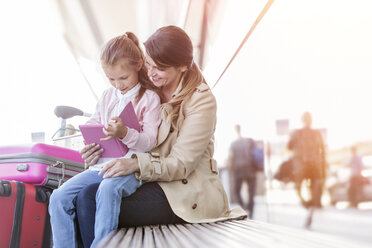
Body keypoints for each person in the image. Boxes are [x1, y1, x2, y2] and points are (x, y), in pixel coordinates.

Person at [75, 25, 247, 247]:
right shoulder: (146, 88)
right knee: (86, 194)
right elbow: (126, 134)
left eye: (160, 68)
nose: (151, 72)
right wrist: (97, 152)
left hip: (185, 191)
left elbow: (181, 164)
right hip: (151, 181)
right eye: (148, 64)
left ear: (183, 66)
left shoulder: (201, 101)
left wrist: (135, 164)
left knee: (90, 199)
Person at [48, 32, 162, 248]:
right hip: (100, 166)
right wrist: (89, 144)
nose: (118, 84)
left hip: (130, 168)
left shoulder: (149, 98)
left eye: (123, 78)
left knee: (108, 190)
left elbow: (150, 141)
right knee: (58, 197)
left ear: (138, 65)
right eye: (111, 79)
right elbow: (92, 123)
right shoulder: (107, 96)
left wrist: (124, 133)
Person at [287, 112, 326, 209]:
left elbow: (289, 146)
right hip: (314, 164)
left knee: (299, 185)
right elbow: (323, 150)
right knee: (315, 184)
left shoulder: (297, 132)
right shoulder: (317, 132)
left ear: (302, 120)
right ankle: (315, 202)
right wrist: (323, 163)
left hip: (301, 165)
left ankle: (306, 202)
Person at [228, 124, 257, 219]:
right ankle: (251, 211)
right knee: (251, 192)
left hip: (239, 169)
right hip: (251, 169)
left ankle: (244, 208)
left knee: (237, 191)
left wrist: (230, 168)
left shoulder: (233, 143)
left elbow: (230, 158)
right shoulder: (249, 141)